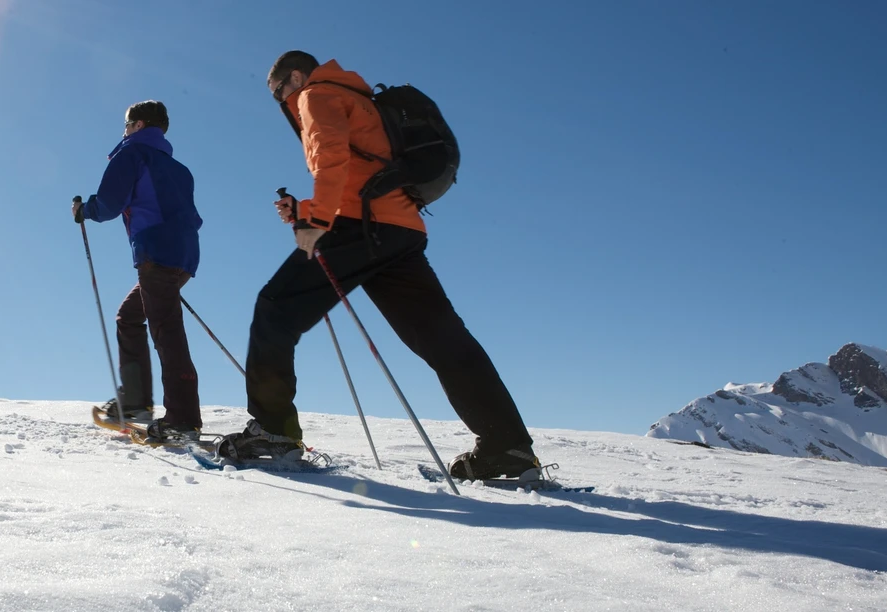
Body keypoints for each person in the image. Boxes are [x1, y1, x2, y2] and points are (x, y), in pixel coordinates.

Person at [214, 51, 540, 480]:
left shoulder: (316, 93)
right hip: (401, 229)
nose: (281, 103)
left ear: (295, 76)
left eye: (278, 92)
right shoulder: (361, 98)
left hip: (359, 228)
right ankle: (507, 447)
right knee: (444, 341)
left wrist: (315, 220)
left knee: (275, 308)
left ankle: (274, 432)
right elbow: (362, 172)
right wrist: (308, 207)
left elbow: (331, 157)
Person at [73, 100, 205, 441]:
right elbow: (192, 216)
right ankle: (136, 401)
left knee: (166, 329)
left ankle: (182, 418)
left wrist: (83, 211)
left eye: (127, 124)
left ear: (138, 124)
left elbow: (109, 204)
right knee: (130, 316)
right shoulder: (179, 168)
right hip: (183, 256)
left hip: (156, 253)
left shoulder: (131, 155)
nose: (124, 131)